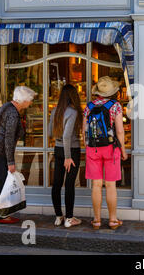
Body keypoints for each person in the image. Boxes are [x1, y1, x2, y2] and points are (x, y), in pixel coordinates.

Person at [0, 86, 36, 224]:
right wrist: (11, 162)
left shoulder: (6, 106)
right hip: (0, 151)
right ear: (23, 100)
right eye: (30, 100)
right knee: (2, 182)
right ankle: (2, 215)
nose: (31, 103)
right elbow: (9, 138)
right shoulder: (13, 113)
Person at [83, 76, 128, 230]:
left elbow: (84, 132)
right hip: (111, 148)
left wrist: (88, 147)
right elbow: (120, 131)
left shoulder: (88, 106)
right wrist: (123, 150)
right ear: (112, 92)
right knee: (110, 185)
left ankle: (96, 220)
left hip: (93, 148)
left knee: (96, 185)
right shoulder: (115, 106)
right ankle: (113, 220)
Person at [48, 84, 83, 228]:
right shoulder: (73, 112)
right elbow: (67, 136)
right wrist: (69, 157)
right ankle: (69, 218)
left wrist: (60, 144)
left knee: (56, 183)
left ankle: (58, 216)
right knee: (69, 185)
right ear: (73, 96)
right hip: (71, 151)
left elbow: (51, 132)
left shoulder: (55, 110)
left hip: (58, 149)